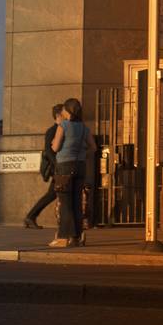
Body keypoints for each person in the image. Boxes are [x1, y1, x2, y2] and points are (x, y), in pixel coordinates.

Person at [49, 99, 93, 248]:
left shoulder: (64, 126)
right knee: (76, 202)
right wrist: (80, 153)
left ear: (67, 111)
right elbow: (93, 147)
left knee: (65, 203)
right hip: (80, 166)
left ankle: (64, 236)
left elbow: (55, 148)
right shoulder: (84, 128)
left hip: (64, 168)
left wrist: (55, 143)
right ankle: (77, 237)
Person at [23, 104, 63, 229]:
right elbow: (49, 150)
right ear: (58, 116)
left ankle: (31, 216)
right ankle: (31, 216)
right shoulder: (53, 130)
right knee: (53, 194)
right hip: (58, 167)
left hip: (59, 166)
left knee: (53, 194)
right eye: (64, 114)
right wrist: (57, 164)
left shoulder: (58, 129)